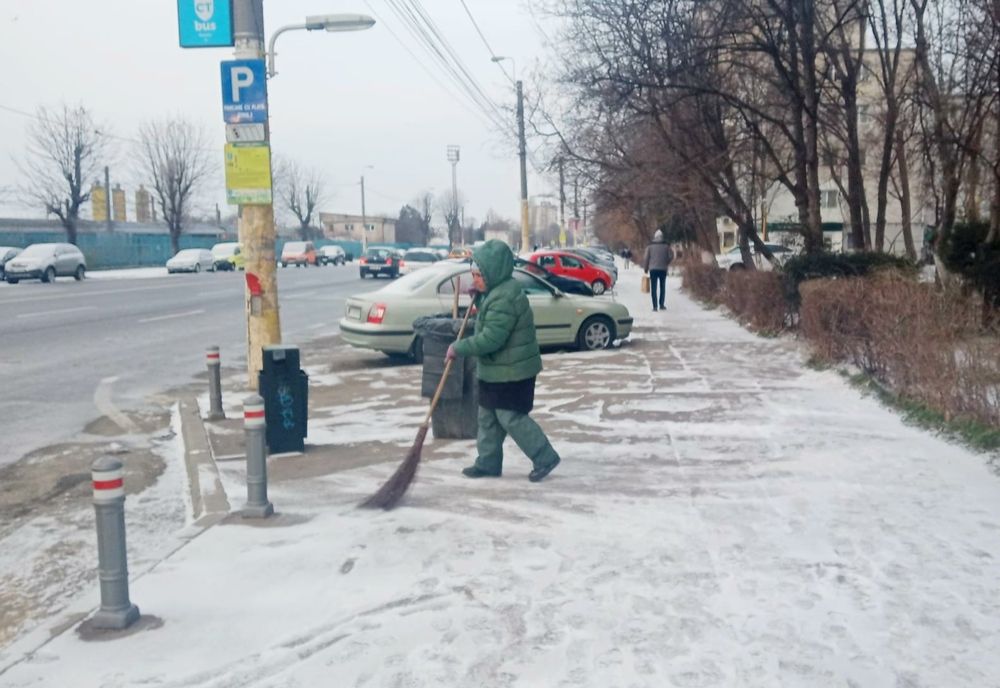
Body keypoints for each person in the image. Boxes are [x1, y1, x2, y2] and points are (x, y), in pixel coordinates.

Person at [446, 240, 561, 482]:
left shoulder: (505, 298)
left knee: (511, 417)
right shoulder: (496, 292)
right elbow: (491, 321)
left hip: (513, 372)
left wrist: (459, 347)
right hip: (497, 370)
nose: (474, 280)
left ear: (493, 274)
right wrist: (479, 299)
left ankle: (545, 457)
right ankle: (488, 463)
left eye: (478, 275)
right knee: (487, 417)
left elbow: (491, 339)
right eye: (473, 275)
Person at [643, 230, 674, 311]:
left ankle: (655, 306)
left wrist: (646, 268)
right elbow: (671, 255)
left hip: (653, 269)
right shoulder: (666, 246)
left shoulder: (650, 246)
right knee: (662, 287)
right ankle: (661, 304)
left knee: (653, 287)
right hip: (663, 269)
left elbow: (646, 258)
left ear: (655, 236)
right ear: (662, 236)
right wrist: (666, 262)